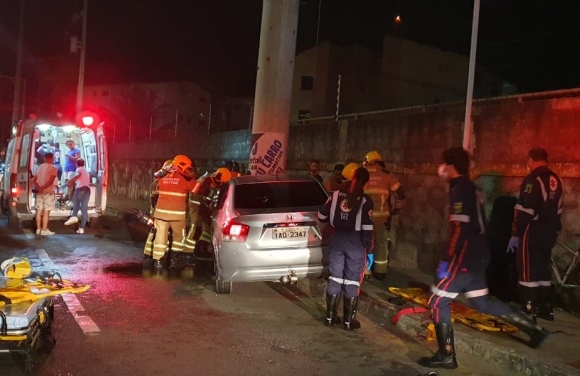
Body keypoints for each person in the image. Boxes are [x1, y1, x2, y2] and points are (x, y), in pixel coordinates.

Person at [419, 147, 549, 370]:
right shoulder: (472, 188)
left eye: (443, 164)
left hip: (462, 260)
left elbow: (460, 229)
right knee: (481, 302)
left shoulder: (460, 190)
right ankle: (533, 328)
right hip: (479, 256)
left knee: (437, 301)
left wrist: (448, 261)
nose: (440, 169)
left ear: (451, 166)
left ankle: (446, 354)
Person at [507, 147, 563, 321]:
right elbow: (559, 208)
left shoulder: (532, 179)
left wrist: (516, 232)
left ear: (531, 160)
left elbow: (525, 208)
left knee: (527, 268)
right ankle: (546, 309)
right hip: (550, 231)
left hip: (532, 230)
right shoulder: (557, 179)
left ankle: (529, 307)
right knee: (543, 269)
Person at [318, 167, 374, 331]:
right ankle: (349, 322)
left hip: (337, 239)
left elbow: (322, 215)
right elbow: (367, 228)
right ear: (366, 182)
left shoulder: (334, 195)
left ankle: (330, 317)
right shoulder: (365, 201)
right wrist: (368, 248)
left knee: (335, 277)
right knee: (352, 280)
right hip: (355, 242)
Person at [147, 155, 198, 269]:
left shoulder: (162, 176)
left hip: (161, 214)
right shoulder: (185, 179)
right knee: (178, 237)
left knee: (160, 237)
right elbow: (196, 189)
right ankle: (174, 261)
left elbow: (155, 187)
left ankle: (158, 262)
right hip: (177, 216)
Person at [362, 151, 405, 279]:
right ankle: (380, 271)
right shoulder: (387, 175)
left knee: (365, 244)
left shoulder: (361, 174)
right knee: (381, 242)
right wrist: (397, 209)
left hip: (363, 218)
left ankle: (366, 271)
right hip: (382, 217)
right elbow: (401, 193)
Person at [183, 168, 232, 257]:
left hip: (202, 206)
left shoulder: (209, 181)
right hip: (197, 206)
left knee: (208, 228)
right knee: (196, 229)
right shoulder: (207, 182)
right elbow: (205, 195)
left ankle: (201, 247)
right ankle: (187, 252)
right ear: (218, 178)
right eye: (221, 183)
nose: (221, 185)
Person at [31, 152, 58, 236]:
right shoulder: (53, 168)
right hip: (48, 192)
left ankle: (38, 229)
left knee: (38, 211)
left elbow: (33, 180)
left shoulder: (39, 167)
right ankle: (44, 229)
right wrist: (43, 188)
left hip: (39, 193)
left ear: (44, 158)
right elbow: (50, 181)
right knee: (46, 211)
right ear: (52, 158)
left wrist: (39, 188)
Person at [64, 159, 92, 234]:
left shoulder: (79, 169)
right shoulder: (86, 171)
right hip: (87, 190)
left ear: (76, 164)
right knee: (84, 209)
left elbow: (78, 175)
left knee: (75, 204)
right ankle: (81, 228)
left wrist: (67, 183)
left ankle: (73, 217)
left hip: (80, 189)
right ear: (84, 164)